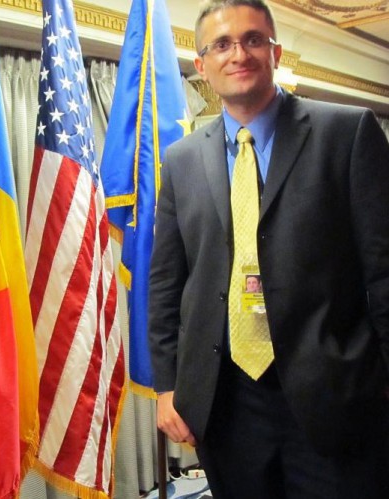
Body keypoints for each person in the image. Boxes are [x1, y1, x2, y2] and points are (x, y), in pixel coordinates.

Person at [148, 1, 389, 498]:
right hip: (225, 404)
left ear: (275, 52)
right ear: (202, 65)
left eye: (253, 39)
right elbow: (167, 282)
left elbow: (383, 270)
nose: (239, 54)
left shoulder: (347, 132)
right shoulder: (182, 159)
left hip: (335, 395)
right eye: (221, 44)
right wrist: (166, 385)